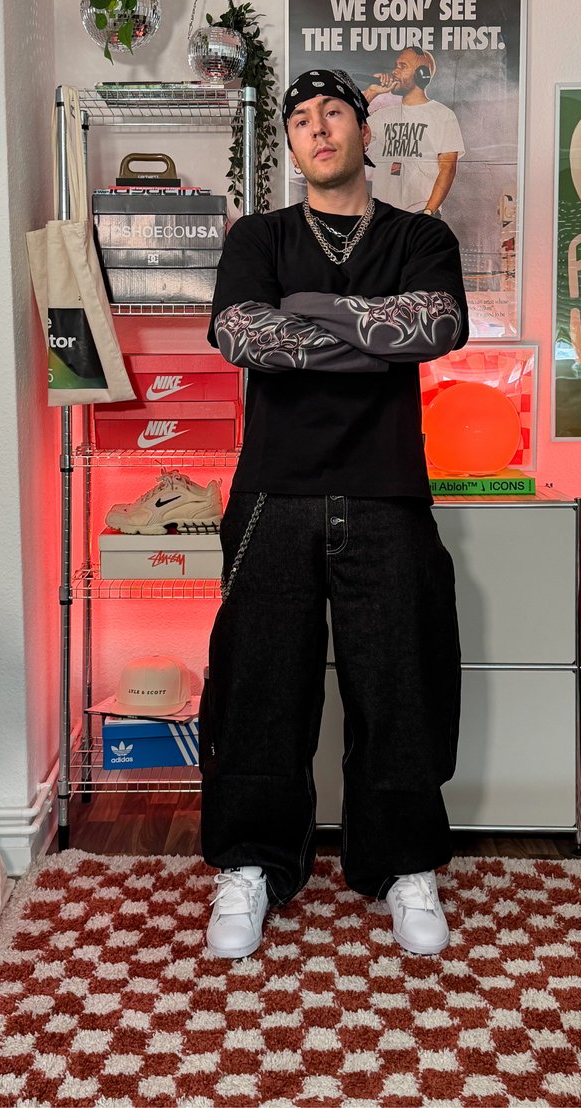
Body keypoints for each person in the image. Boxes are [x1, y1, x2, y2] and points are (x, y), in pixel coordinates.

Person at [199, 68, 469, 960]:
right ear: (290, 143)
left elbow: (435, 327)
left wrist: (307, 313)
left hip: (387, 489)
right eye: (301, 120)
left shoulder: (420, 235)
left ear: (364, 128)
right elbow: (241, 334)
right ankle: (251, 864)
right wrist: (371, 334)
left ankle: (403, 865)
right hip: (273, 492)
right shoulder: (259, 236)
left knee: (399, 685)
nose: (317, 129)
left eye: (333, 114)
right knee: (259, 687)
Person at [362, 49, 465, 216]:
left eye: (403, 66)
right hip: (384, 215)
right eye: (395, 66)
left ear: (421, 74)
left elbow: (448, 168)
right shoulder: (382, 116)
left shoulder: (442, 115)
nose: (395, 71)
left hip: (420, 211)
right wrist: (371, 92)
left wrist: (428, 212)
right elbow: (349, 138)